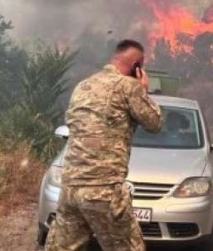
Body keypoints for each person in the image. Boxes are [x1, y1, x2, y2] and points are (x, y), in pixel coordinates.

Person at [46, 39, 163, 251]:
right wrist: (143, 90)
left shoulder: (83, 86)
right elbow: (154, 124)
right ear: (137, 66)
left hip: (71, 189)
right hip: (103, 189)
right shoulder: (128, 86)